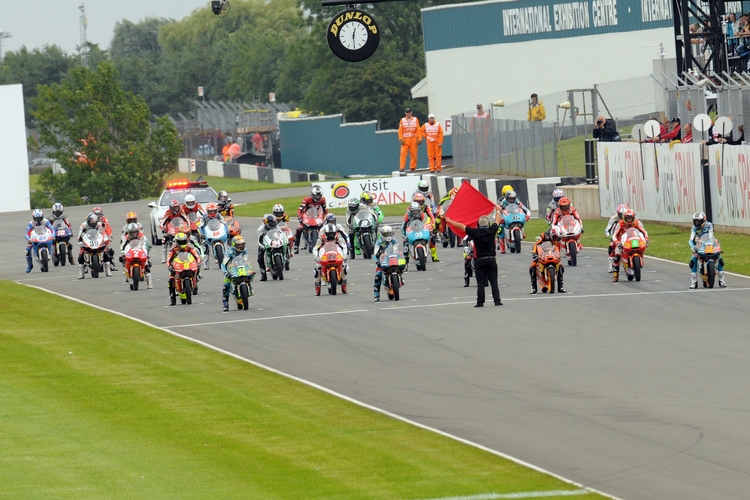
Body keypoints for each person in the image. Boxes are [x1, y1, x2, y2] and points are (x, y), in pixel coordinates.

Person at [445, 211, 503, 307]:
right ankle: (497, 300)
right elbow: (497, 221)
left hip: (480, 260)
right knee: (494, 282)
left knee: (480, 282)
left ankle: (480, 302)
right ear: (488, 224)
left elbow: (461, 226)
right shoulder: (492, 230)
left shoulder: (475, 232)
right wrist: (497, 210)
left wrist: (450, 221)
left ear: (478, 224)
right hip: (491, 259)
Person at [689, 212, 726, 288]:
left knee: (720, 260)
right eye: (695, 221)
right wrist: (693, 246)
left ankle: (722, 281)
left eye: (698, 221)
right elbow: (691, 239)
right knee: (693, 261)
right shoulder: (694, 228)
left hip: (709, 244)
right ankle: (694, 282)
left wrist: (714, 245)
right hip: (699, 245)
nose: (697, 223)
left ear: (703, 220)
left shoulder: (709, 225)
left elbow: (711, 236)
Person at [611, 209, 649, 282]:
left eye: (630, 218)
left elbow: (644, 232)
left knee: (641, 248)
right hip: (621, 241)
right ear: (624, 218)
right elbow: (614, 235)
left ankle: (639, 260)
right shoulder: (620, 223)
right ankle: (616, 275)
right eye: (627, 218)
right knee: (617, 256)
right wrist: (617, 242)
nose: (629, 220)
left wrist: (646, 239)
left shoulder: (637, 222)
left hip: (634, 240)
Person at [166, 231, 202, 305]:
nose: (182, 244)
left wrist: (198, 262)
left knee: (197, 269)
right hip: (177, 265)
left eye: (183, 241)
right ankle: (172, 298)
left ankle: (196, 281)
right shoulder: (174, 248)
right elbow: (168, 258)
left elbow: (196, 255)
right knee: (170, 280)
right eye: (180, 241)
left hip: (187, 263)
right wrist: (169, 266)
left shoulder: (189, 247)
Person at [313, 223, 349, 296]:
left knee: (344, 266)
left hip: (336, 255)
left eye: (332, 233)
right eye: (329, 234)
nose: (331, 235)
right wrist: (316, 257)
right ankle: (317, 288)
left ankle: (344, 286)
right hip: (324, 256)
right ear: (326, 233)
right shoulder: (321, 238)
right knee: (317, 268)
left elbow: (344, 246)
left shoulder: (338, 237)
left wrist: (345, 255)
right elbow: (315, 248)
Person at [529, 226, 566, 294]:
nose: (557, 240)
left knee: (561, 267)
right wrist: (534, 253)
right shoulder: (544, 235)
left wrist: (558, 255)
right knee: (532, 267)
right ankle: (533, 288)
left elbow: (557, 248)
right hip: (541, 253)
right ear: (552, 234)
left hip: (552, 254)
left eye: (559, 238)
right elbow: (535, 244)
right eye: (556, 238)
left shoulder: (556, 239)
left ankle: (560, 287)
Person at [221, 235, 253, 311]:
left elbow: (246, 261)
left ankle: (250, 288)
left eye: (242, 244)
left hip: (242, 268)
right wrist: (225, 272)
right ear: (234, 245)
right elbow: (223, 263)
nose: (241, 246)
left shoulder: (245, 250)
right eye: (239, 245)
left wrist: (250, 269)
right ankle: (225, 304)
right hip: (231, 269)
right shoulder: (229, 252)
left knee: (250, 275)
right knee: (226, 285)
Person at [294, 186, 328, 254]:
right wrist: (300, 217)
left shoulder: (323, 200)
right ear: (312, 194)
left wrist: (325, 217)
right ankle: (296, 246)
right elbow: (300, 210)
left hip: (317, 216)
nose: (318, 197)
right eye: (316, 195)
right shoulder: (307, 199)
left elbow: (325, 210)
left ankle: (326, 245)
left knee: (324, 229)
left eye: (319, 195)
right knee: (299, 229)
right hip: (307, 216)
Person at [77, 213, 112, 278]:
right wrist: (80, 242)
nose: (93, 224)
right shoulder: (83, 225)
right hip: (87, 241)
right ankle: (81, 272)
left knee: (106, 253)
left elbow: (101, 234)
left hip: (96, 241)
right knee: (81, 255)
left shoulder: (99, 225)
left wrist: (104, 240)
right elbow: (79, 236)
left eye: (94, 223)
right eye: (91, 223)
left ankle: (108, 270)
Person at [406, 195, 440, 263]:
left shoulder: (425, 208)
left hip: (422, 224)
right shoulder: (409, 208)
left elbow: (430, 215)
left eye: (421, 201)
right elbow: (405, 220)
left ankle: (434, 256)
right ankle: (406, 258)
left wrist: (433, 222)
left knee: (432, 238)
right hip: (412, 226)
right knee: (406, 242)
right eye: (418, 201)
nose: (420, 203)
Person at [372, 225, 401, 302]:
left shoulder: (394, 240)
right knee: (378, 275)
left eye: (390, 234)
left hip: (392, 259)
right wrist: (377, 261)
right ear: (382, 234)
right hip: (382, 260)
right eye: (386, 234)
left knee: (400, 266)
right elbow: (375, 253)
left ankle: (401, 278)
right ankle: (376, 295)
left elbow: (396, 250)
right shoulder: (378, 242)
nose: (388, 236)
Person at [120, 222, 153, 289]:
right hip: (130, 252)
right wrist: (122, 252)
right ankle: (126, 272)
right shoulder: (126, 238)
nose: (134, 234)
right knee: (122, 258)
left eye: (135, 232)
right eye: (132, 232)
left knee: (147, 264)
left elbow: (146, 245)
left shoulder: (142, 237)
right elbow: (122, 246)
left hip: (140, 251)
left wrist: (147, 251)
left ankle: (149, 282)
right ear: (129, 232)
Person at [605, 204, 629, 272]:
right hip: (616, 235)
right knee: (611, 245)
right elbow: (607, 229)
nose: (622, 216)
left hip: (627, 235)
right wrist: (610, 236)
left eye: (623, 215)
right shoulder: (613, 218)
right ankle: (611, 264)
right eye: (620, 214)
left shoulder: (630, 217)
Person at [93, 206, 117, 272]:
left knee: (109, 249)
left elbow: (108, 228)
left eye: (99, 214)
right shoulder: (91, 220)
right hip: (94, 237)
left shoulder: (104, 219)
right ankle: (86, 266)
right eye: (96, 214)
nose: (98, 216)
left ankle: (112, 264)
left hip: (103, 236)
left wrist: (110, 235)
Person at [256, 214, 279, 282]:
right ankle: (263, 274)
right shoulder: (261, 229)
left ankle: (284, 260)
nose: (272, 224)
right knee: (260, 257)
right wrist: (262, 246)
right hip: (264, 243)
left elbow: (281, 234)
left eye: (274, 222)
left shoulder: (276, 227)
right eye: (271, 223)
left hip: (274, 242)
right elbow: (259, 240)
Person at [398, 107, 421, 172]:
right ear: (405, 113)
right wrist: (401, 138)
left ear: (411, 112)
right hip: (405, 139)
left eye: (409, 112)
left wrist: (419, 138)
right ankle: (402, 167)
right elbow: (400, 131)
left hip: (413, 139)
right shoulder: (402, 120)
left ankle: (413, 167)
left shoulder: (415, 119)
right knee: (403, 153)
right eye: (407, 112)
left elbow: (418, 129)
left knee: (414, 154)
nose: (408, 113)